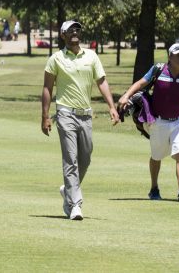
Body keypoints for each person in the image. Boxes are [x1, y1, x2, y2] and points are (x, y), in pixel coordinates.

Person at [41, 20, 120, 220]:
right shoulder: (56, 59)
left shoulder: (91, 56)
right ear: (63, 35)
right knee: (71, 159)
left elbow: (101, 81)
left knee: (85, 158)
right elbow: (47, 88)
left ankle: (68, 189)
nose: (75, 32)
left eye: (77, 29)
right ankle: (75, 204)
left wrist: (111, 107)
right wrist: (45, 116)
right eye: (70, 30)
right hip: (65, 113)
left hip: (86, 115)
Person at [118, 41, 179, 202]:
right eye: (178, 55)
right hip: (158, 122)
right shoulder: (158, 70)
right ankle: (154, 188)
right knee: (156, 156)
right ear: (170, 57)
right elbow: (140, 83)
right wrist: (126, 96)